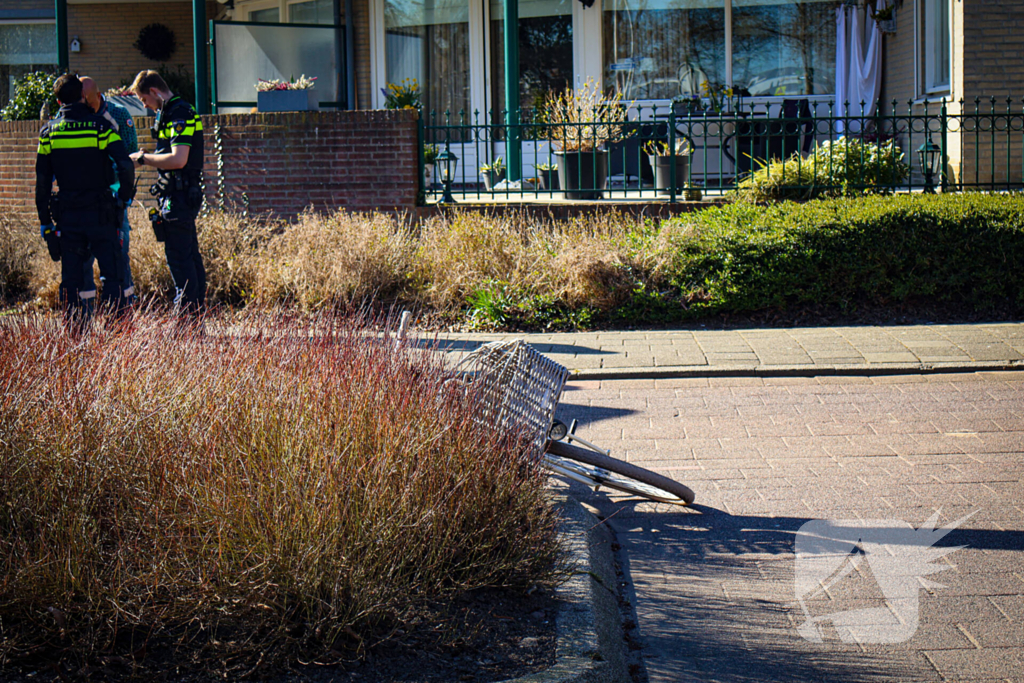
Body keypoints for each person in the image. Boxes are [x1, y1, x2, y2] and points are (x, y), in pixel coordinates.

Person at [36, 73, 135, 328]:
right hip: (101, 214)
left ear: (58, 102)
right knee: (111, 276)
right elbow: (125, 165)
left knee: (71, 279)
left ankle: (76, 335)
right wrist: (122, 199)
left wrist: (46, 223)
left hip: (68, 217)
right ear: (82, 96)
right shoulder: (100, 127)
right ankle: (115, 333)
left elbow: (42, 184)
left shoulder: (48, 134)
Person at [128, 70, 206, 320]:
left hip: (178, 198)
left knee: (181, 263)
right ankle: (195, 322)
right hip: (179, 195)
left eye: (143, 100)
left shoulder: (178, 113)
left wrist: (142, 158)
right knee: (189, 258)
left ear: (154, 92)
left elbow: (178, 158)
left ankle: (185, 325)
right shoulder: (174, 111)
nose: (145, 106)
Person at [80, 76, 138, 305]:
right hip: (82, 200)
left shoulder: (119, 115)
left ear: (97, 94)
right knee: (83, 259)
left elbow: (130, 155)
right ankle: (84, 317)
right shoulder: (70, 115)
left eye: (85, 98)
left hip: (112, 198)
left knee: (118, 257)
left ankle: (123, 313)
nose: (81, 103)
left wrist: (121, 194)